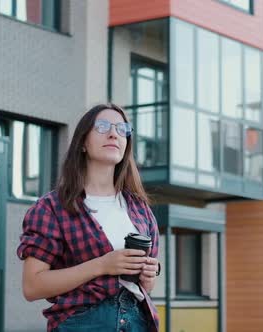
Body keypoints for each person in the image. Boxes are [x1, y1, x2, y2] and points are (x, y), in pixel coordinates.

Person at [17, 103, 161, 332]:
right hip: (83, 323)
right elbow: (32, 286)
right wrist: (102, 265)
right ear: (83, 142)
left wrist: (147, 275)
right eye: (103, 126)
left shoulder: (141, 210)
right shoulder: (52, 208)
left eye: (122, 129)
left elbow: (147, 286)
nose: (114, 133)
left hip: (137, 321)